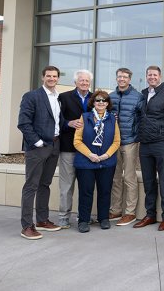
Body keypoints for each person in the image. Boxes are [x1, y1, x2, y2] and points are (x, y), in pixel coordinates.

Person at [17, 65, 64, 240]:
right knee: (31, 186)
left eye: (54, 76)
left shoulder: (58, 98)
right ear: (43, 77)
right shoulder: (32, 96)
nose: (52, 78)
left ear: (58, 78)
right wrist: (37, 142)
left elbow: (58, 122)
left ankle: (43, 220)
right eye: (48, 76)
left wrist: (71, 123)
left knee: (45, 184)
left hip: (54, 146)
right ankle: (27, 226)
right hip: (38, 147)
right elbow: (23, 123)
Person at [134, 65, 164, 231]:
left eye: (154, 75)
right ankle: (150, 215)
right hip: (145, 144)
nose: (152, 77)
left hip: (161, 143)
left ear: (159, 76)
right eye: (149, 75)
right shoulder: (143, 94)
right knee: (148, 181)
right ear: (146, 76)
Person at [73, 91, 121, 233]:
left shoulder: (112, 119)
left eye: (104, 100)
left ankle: (103, 218)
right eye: (98, 100)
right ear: (93, 102)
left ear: (107, 103)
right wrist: (90, 155)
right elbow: (77, 140)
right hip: (86, 162)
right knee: (86, 192)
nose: (101, 103)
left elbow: (117, 141)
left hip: (106, 162)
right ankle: (83, 220)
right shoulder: (84, 117)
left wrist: (106, 155)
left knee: (105, 191)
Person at [57, 69, 93, 229]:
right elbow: (56, 118)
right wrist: (68, 123)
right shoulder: (64, 97)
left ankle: (83, 216)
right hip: (68, 147)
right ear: (75, 82)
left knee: (86, 186)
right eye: (81, 80)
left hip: (89, 149)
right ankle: (64, 217)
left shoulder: (96, 98)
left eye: (87, 81)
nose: (84, 83)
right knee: (67, 185)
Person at [109, 67, 144, 226]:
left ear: (129, 79)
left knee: (129, 177)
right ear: (116, 78)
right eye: (119, 77)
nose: (121, 79)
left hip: (130, 142)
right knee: (115, 178)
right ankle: (115, 210)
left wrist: (138, 135)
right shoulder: (110, 97)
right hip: (113, 143)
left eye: (125, 77)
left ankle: (129, 213)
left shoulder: (138, 97)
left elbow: (143, 119)